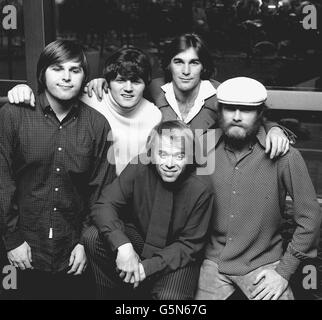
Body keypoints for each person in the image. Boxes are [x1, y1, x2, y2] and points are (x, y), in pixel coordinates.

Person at [0, 40, 115, 299]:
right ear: (42, 73)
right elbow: (2, 181)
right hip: (21, 247)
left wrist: (87, 243)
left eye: (75, 70)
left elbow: (102, 191)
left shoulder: (98, 126)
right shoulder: (12, 115)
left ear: (85, 76)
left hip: (72, 251)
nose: (66, 77)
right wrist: (13, 239)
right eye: (57, 68)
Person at [195, 77, 321, 300]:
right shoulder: (202, 147)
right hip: (213, 262)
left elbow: (310, 218)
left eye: (246, 110)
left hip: (264, 263)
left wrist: (283, 272)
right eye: (229, 109)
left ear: (261, 113)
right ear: (219, 110)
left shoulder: (285, 155)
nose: (236, 116)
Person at [83, 33, 292, 159]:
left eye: (194, 63)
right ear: (168, 65)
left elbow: (256, 116)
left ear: (204, 67)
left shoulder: (219, 93)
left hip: (204, 179)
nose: (185, 71)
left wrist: (275, 130)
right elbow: (127, 86)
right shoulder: (155, 88)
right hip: (162, 174)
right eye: (178, 61)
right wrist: (102, 82)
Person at [83, 120, 214, 300]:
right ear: (151, 153)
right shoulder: (139, 166)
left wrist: (146, 268)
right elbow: (104, 205)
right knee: (92, 237)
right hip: (140, 240)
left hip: (176, 255)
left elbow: (190, 246)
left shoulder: (202, 187)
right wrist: (123, 246)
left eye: (179, 156)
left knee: (171, 298)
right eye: (162, 154)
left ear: (190, 156)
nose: (169, 163)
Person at [6, 47, 162, 175]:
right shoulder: (90, 96)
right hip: (91, 192)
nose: (128, 88)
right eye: (120, 80)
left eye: (135, 81)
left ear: (145, 83)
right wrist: (23, 89)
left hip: (133, 193)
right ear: (108, 81)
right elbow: (55, 95)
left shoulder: (154, 116)